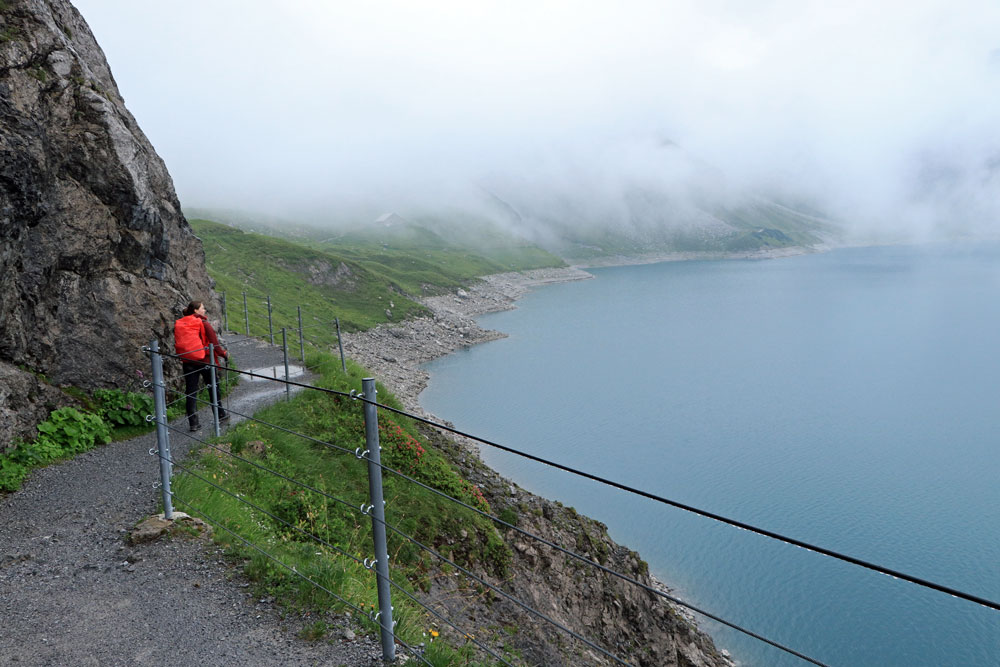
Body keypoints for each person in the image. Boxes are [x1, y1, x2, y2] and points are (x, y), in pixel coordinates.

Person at [174, 300, 230, 431]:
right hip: (204, 361)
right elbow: (215, 344)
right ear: (196, 310)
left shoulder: (183, 323)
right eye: (202, 308)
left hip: (188, 361)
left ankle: (193, 423)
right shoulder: (203, 323)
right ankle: (220, 415)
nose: (204, 310)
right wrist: (224, 354)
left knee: (191, 392)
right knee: (213, 388)